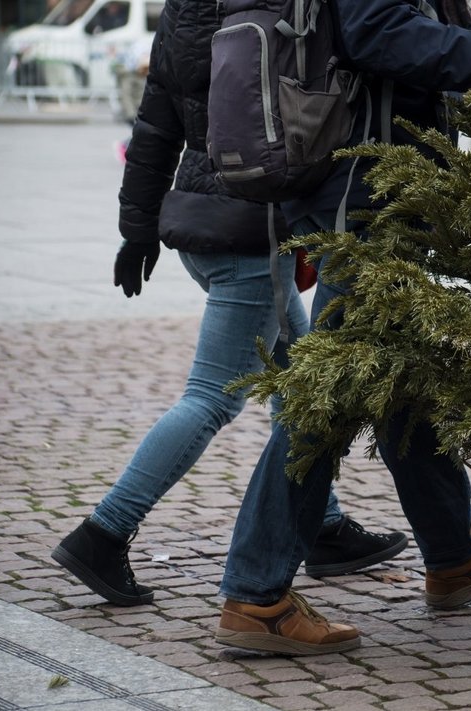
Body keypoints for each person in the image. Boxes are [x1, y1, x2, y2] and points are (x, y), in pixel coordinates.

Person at [213, 0, 471, 655]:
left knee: (400, 377)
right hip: (365, 195)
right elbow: (383, 35)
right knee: (330, 391)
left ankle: (453, 556)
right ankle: (257, 593)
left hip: (385, 192)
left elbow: (429, 35)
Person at [51, 0, 408, 608]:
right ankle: (103, 533)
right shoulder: (277, 8)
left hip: (203, 216)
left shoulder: (183, 9)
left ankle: (321, 526)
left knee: (300, 379)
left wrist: (137, 228)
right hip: (251, 230)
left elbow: (155, 123)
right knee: (214, 396)